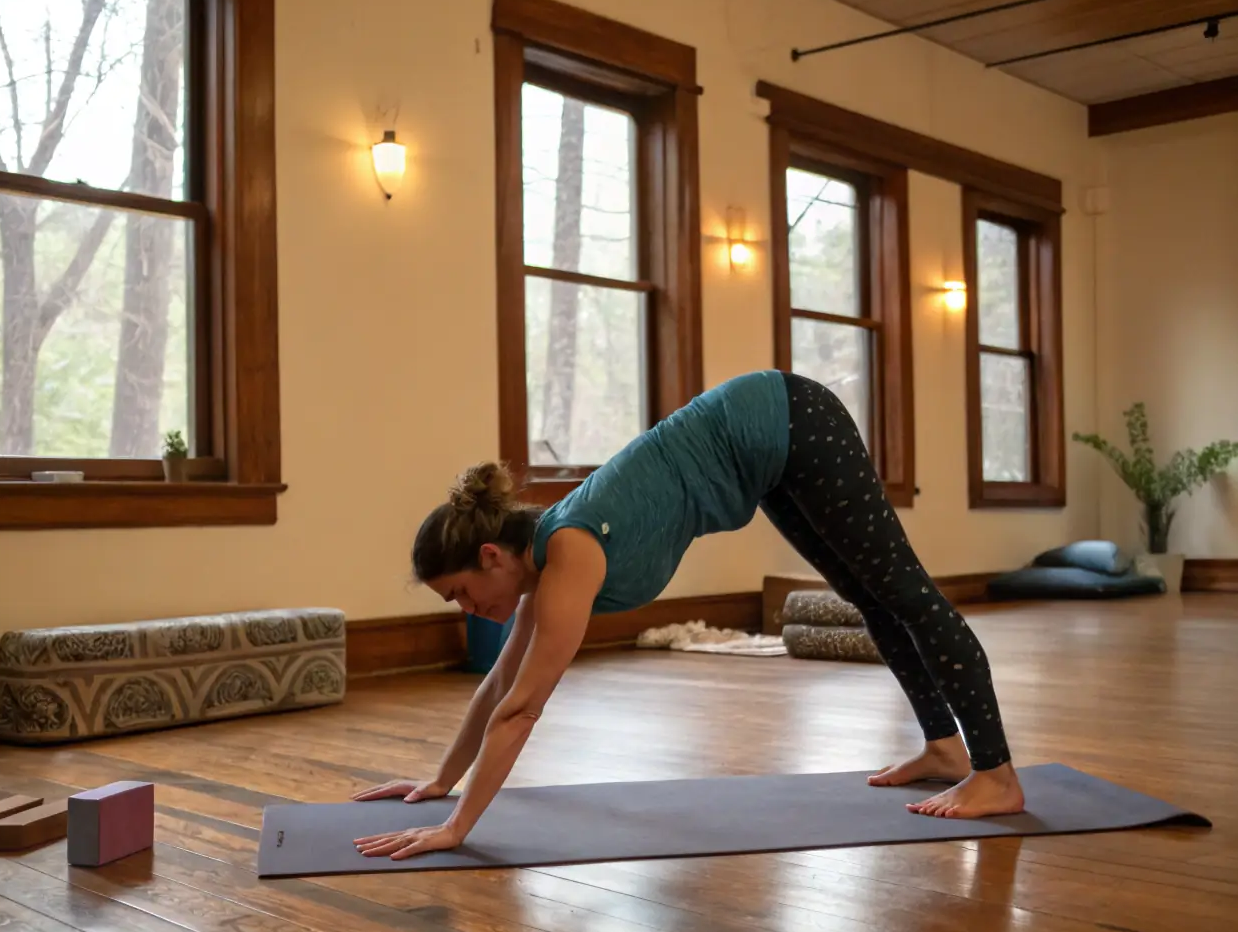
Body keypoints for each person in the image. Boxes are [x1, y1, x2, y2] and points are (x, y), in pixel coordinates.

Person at [351, 369, 1025, 861]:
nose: (469, 610)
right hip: (765, 452)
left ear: (492, 556)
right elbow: (499, 687)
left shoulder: (569, 552)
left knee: (905, 593)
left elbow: (523, 711)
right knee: (865, 594)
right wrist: (441, 780)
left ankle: (994, 774)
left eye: (462, 593)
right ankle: (944, 748)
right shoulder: (544, 566)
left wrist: (457, 828)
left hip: (788, 418)